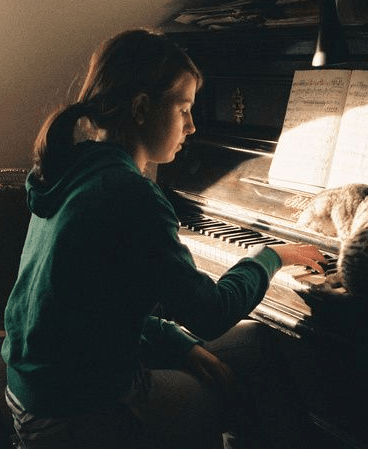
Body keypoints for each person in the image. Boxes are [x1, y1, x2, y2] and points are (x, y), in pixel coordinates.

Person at [1, 28, 326, 449]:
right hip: (75, 411)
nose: (192, 126)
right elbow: (210, 313)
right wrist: (270, 257)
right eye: (184, 109)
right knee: (242, 387)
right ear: (141, 109)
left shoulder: (72, 170)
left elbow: (90, 310)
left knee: (254, 342)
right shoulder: (128, 192)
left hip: (36, 391)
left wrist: (177, 344)